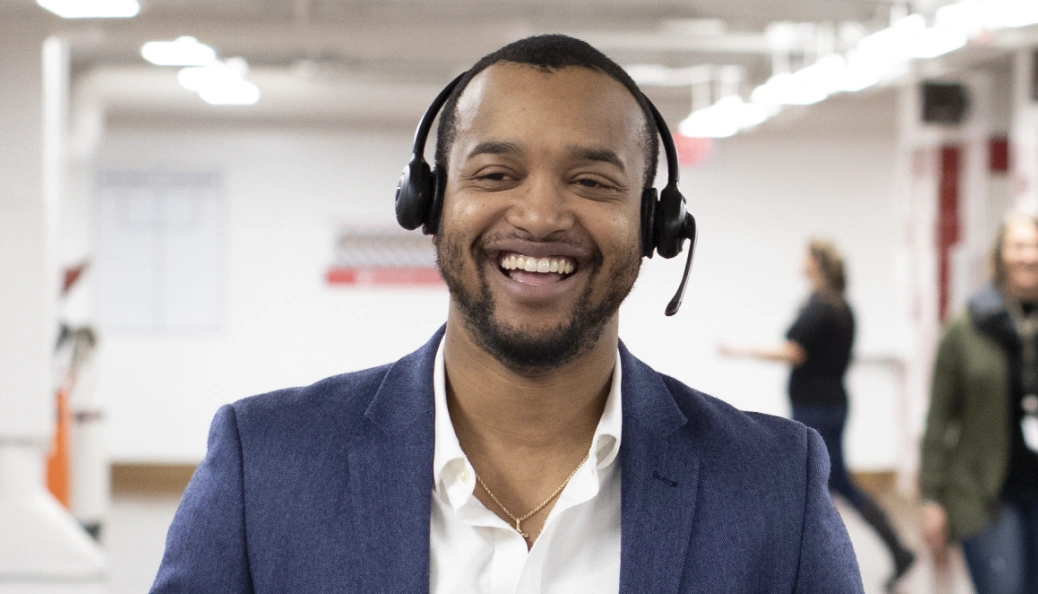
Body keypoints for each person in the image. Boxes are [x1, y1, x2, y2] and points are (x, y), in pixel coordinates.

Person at [150, 35, 863, 593]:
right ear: (429, 206)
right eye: (495, 174)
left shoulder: (773, 488)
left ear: (655, 227)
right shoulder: (265, 465)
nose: (542, 214)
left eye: (592, 181)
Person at [720, 239, 914, 591]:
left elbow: (794, 353)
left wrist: (741, 351)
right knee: (832, 482)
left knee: (818, 484)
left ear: (817, 263)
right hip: (832, 403)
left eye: (806, 255)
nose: (801, 260)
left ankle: (831, 565)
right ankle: (892, 551)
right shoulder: (841, 307)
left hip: (815, 407)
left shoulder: (821, 307)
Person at [920, 212, 1038, 594]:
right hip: (984, 492)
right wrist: (932, 497)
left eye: (1036, 247)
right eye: (1019, 246)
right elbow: (939, 417)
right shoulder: (967, 326)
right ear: (1001, 254)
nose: (1029, 256)